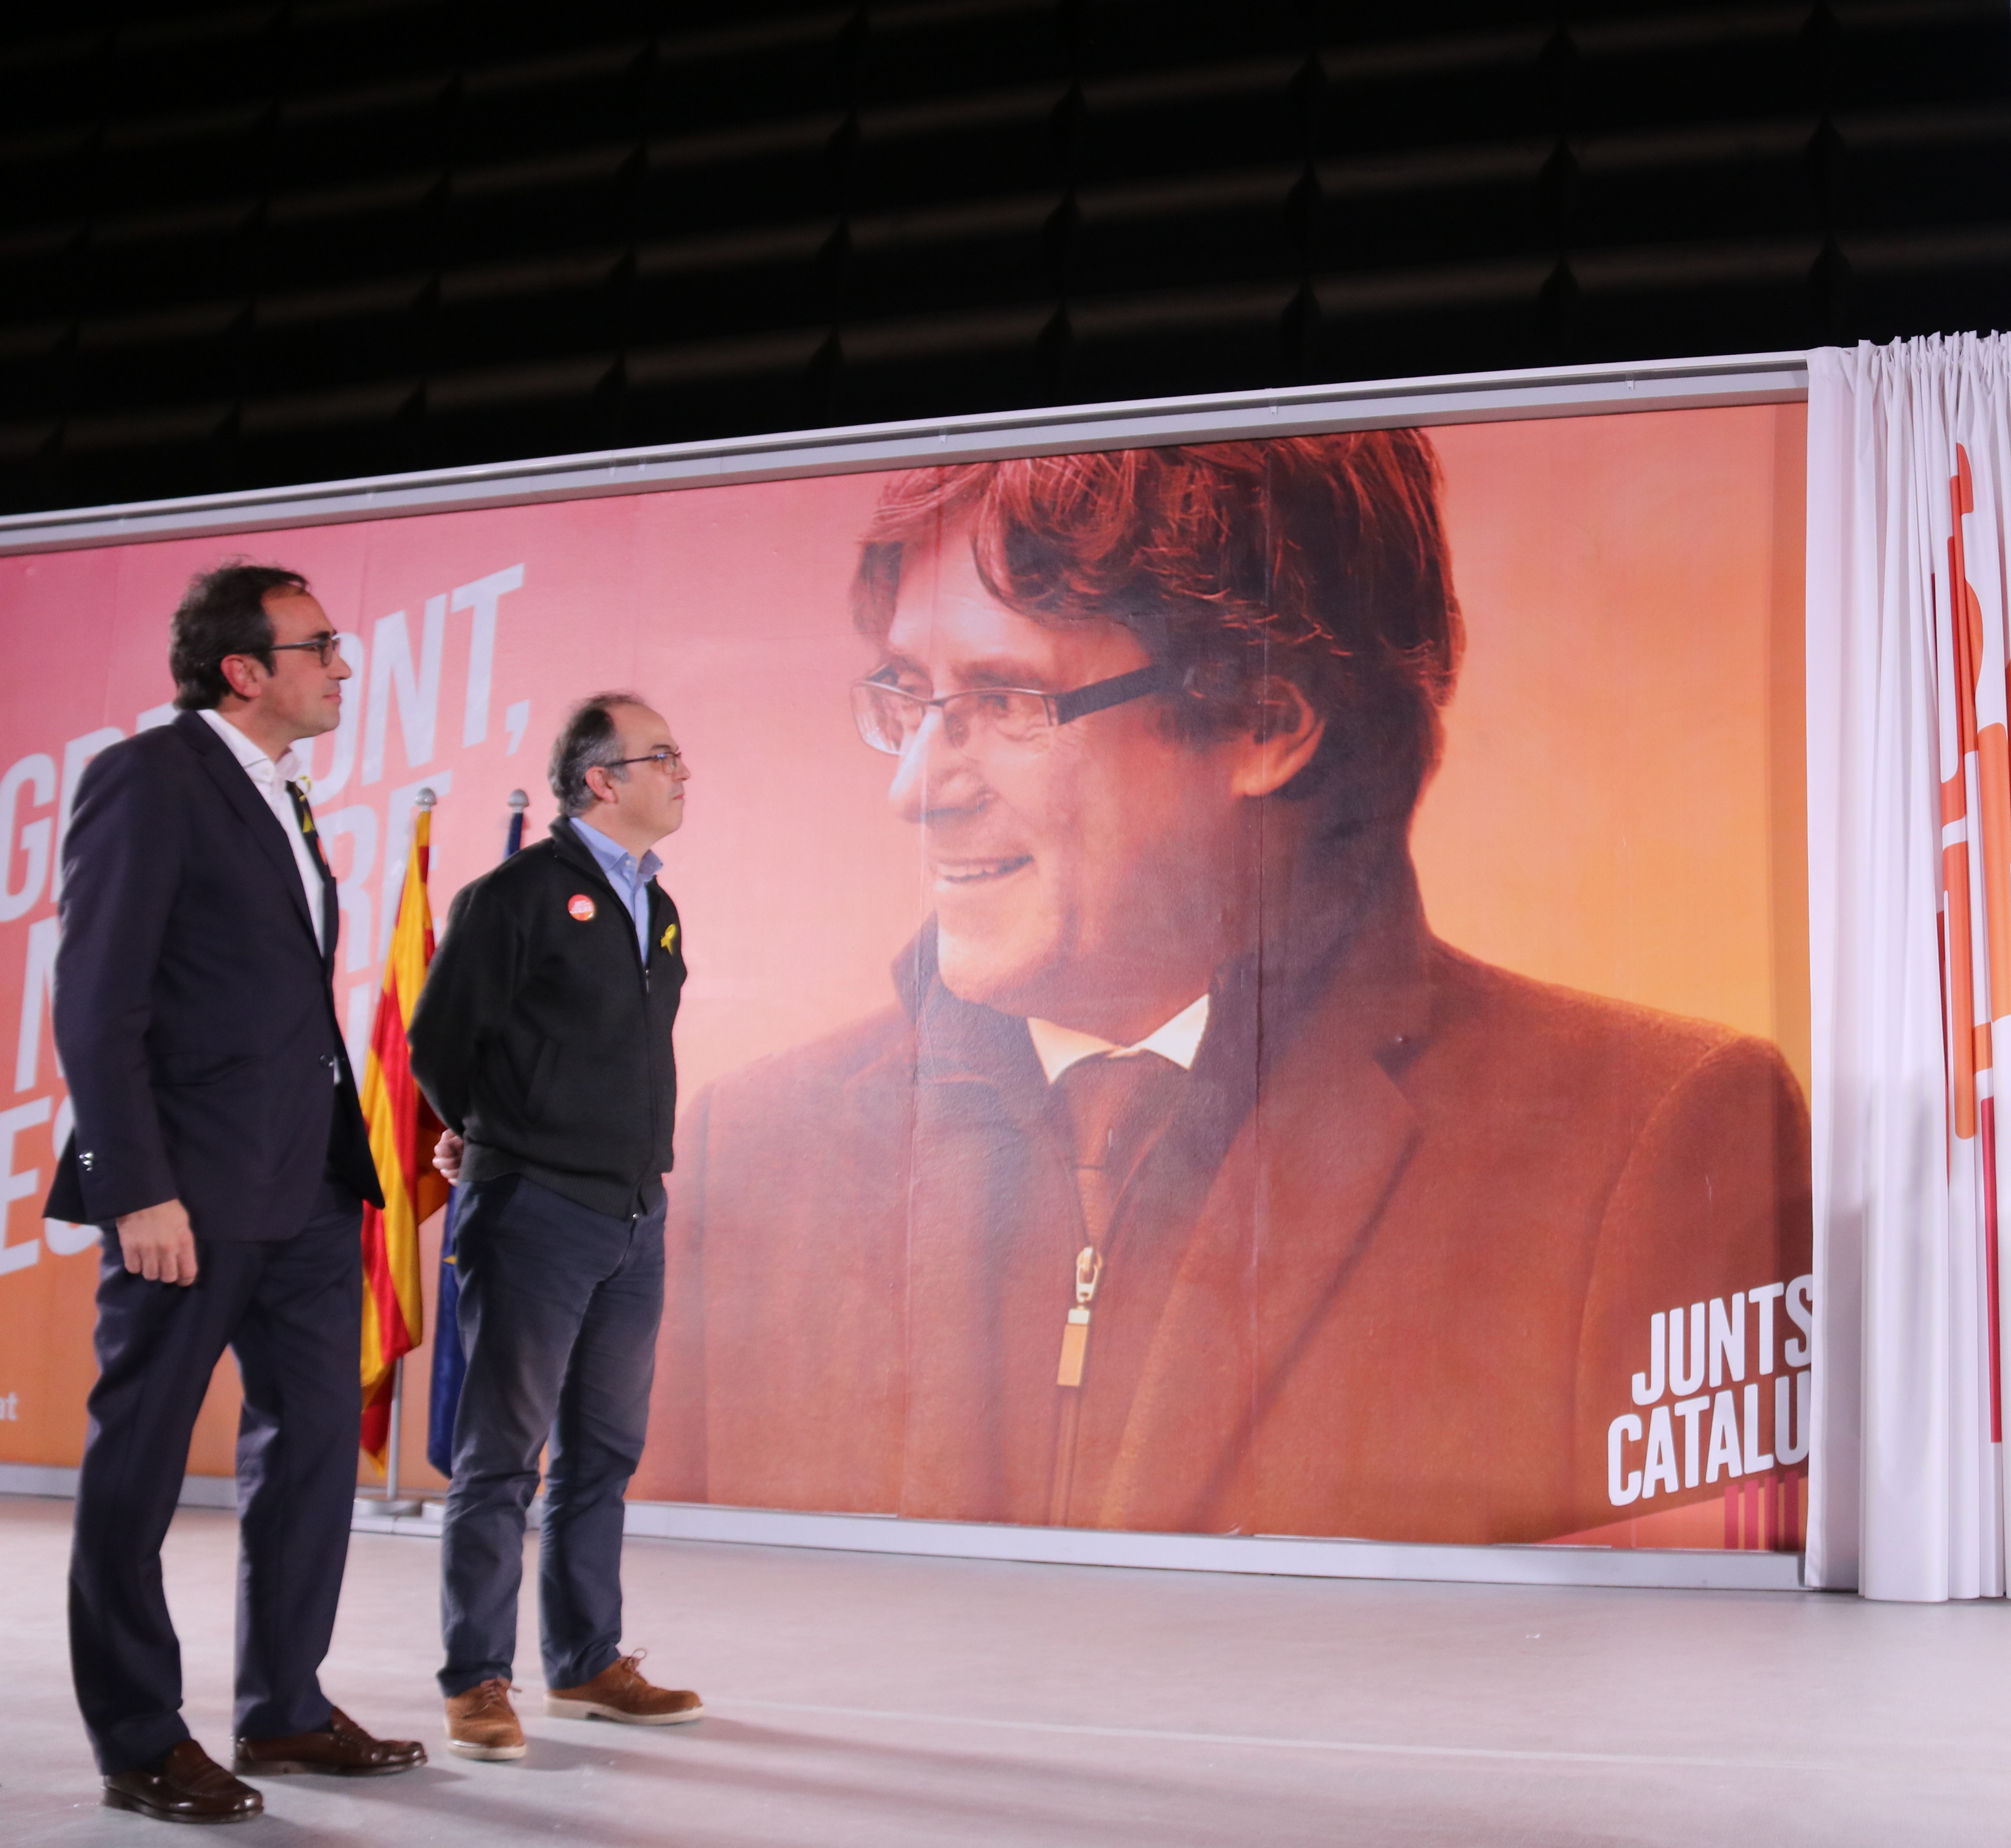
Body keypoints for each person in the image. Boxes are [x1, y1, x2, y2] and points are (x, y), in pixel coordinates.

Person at [639, 432, 1813, 1547]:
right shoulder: (740, 1151)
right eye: (906, 691)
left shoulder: (1655, 1137)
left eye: (1006, 703)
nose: (916, 787)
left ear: (1264, 721)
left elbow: (1689, 1687)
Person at [49, 562, 422, 1825]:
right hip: (188, 1199)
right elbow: (99, 1003)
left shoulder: (280, 792)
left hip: (308, 1190)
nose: (342, 665)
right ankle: (139, 1736)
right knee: (140, 1469)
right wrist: (135, 1188)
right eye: (319, 645)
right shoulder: (150, 779)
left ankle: (286, 1706)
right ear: (242, 670)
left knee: (313, 1452)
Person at [408, 694, 701, 1763]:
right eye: (660, 756)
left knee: (604, 1453)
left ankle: (585, 1662)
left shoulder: (655, 905)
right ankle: (476, 1679)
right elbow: (440, 1040)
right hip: (535, 1206)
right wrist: (493, 1135)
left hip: (632, 1212)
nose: (683, 771)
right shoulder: (518, 895)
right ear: (599, 782)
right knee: (501, 1458)